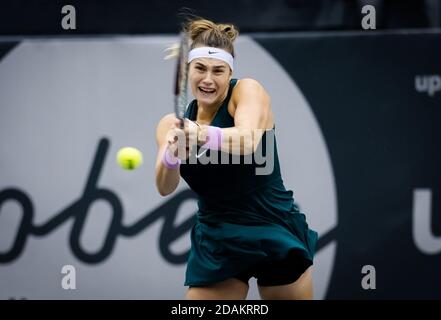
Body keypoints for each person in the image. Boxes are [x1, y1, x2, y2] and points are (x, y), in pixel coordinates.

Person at [155, 17, 318, 300]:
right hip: (217, 236)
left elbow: (247, 139)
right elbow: (164, 186)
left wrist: (200, 133)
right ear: (188, 72)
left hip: (272, 224)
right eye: (200, 69)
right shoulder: (171, 123)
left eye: (218, 71)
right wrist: (171, 154)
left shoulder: (246, 91)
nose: (208, 79)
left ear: (229, 71)